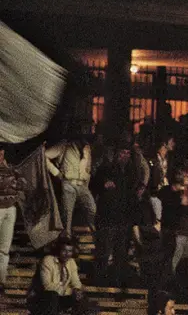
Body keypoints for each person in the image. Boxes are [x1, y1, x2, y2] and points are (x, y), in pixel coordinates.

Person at [92, 138, 141, 288]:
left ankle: (117, 282)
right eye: (122, 152)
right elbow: (94, 185)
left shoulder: (131, 173)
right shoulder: (106, 169)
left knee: (121, 255)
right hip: (107, 219)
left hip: (123, 220)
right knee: (104, 252)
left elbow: (132, 197)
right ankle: (100, 282)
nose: (125, 156)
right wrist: (103, 184)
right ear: (117, 153)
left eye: (127, 153)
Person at [46, 134, 95, 237]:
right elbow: (45, 156)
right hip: (69, 183)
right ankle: (66, 240)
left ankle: (91, 234)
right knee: (67, 214)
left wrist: (87, 178)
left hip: (82, 184)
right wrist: (56, 172)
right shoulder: (64, 144)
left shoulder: (86, 146)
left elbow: (88, 166)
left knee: (92, 209)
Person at [32, 240, 85, 315]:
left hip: (61, 297)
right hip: (44, 298)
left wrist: (77, 290)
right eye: (64, 250)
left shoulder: (71, 262)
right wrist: (70, 291)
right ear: (58, 251)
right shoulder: (48, 260)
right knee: (52, 295)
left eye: (70, 251)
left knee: (82, 297)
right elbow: (47, 286)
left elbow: (76, 281)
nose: (67, 254)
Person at [0, 144, 22, 294]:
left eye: (1, 152)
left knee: (4, 249)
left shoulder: (12, 168)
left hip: (10, 208)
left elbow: (22, 184)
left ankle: (1, 280)